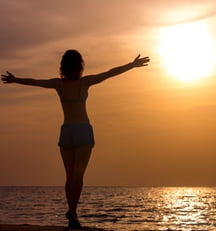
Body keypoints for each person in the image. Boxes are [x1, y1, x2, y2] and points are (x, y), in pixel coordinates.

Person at [1, 50, 150, 229]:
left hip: (67, 132)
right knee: (78, 177)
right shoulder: (84, 82)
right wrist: (131, 65)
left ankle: (72, 214)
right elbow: (109, 73)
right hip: (82, 132)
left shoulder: (58, 84)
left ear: (63, 67)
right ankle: (72, 212)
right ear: (80, 66)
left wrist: (16, 80)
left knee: (69, 176)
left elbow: (35, 82)